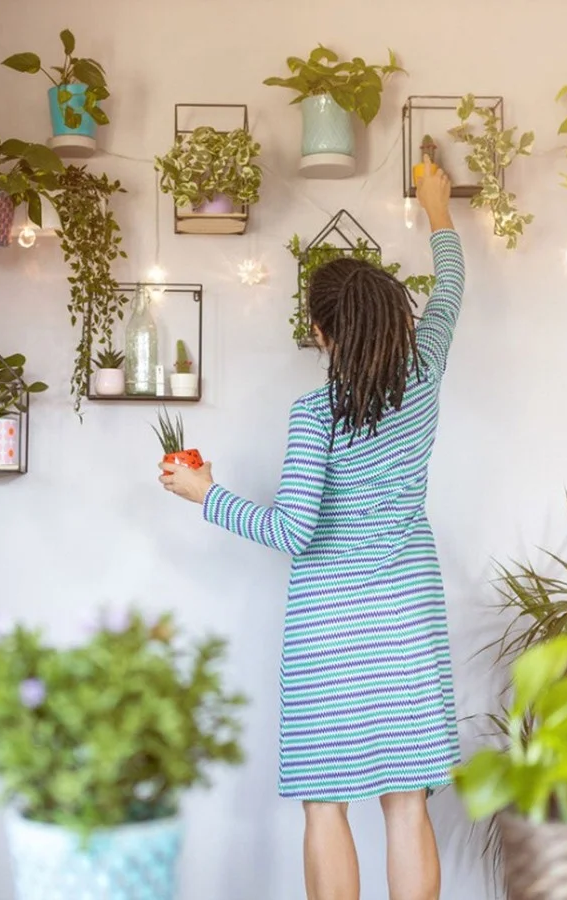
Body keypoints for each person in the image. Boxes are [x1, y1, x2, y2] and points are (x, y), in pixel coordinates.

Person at [159, 159, 463, 900]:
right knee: (405, 801)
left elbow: (294, 531)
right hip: (406, 614)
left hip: (330, 626)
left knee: (326, 803)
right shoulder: (427, 366)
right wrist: (436, 207)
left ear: (323, 332)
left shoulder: (314, 413)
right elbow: (451, 284)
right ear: (397, 315)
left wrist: (206, 493)